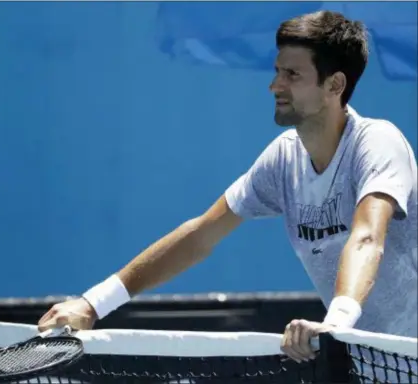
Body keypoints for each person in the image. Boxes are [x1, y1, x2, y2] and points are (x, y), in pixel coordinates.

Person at [38, 10, 417, 365]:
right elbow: (201, 234)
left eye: (293, 75)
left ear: (334, 84)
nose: (275, 86)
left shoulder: (377, 143)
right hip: (368, 363)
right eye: (276, 72)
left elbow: (368, 236)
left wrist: (336, 322)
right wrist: (93, 304)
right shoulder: (283, 159)